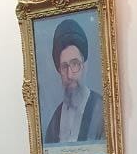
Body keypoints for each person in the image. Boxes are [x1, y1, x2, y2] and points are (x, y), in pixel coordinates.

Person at [44, 17, 105, 145]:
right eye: (64, 67)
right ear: (59, 70)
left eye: (75, 64)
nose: (70, 75)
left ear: (85, 66)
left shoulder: (102, 111)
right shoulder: (55, 121)